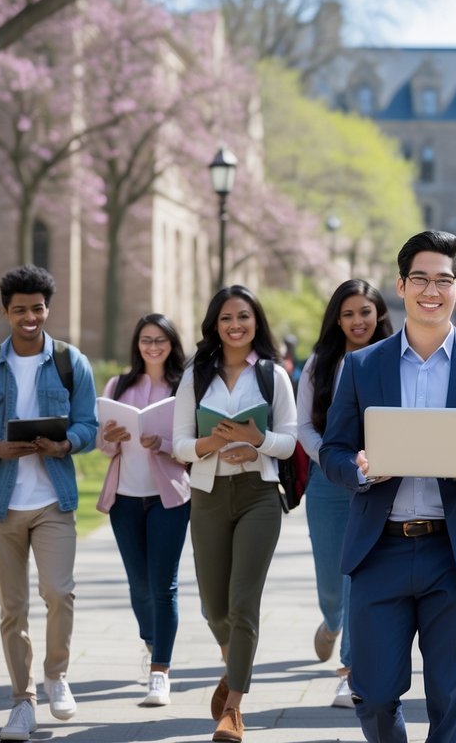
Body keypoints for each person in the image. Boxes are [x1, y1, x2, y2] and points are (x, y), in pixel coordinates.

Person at [320, 230, 456, 743]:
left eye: (444, 281)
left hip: (454, 555)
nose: (432, 290)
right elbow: (333, 450)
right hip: (379, 549)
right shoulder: (364, 365)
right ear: (401, 285)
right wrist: (359, 468)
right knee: (373, 693)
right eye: (421, 279)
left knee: (451, 706)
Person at [0, 265, 99, 742]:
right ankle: (23, 702)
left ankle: (57, 676)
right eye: (19, 309)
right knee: (12, 609)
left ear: (47, 309)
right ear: (5, 312)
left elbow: (89, 425)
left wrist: (66, 444)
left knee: (60, 592)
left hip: (53, 500)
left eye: (37, 308)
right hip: (0, 505)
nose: (29, 317)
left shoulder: (69, 361)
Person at [172, 285, 298, 743]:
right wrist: (216, 443)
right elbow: (180, 444)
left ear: (255, 322)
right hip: (207, 494)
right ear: (215, 325)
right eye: (227, 318)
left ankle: (233, 710)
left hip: (258, 495)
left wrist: (255, 439)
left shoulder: (272, 374)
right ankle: (235, 665)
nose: (235, 325)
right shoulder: (195, 376)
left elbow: (289, 439)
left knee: (243, 604)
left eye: (243, 316)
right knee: (213, 607)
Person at [296, 280, 394, 707]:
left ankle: (351, 669)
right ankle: (331, 621)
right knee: (333, 581)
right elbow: (303, 426)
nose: (358, 321)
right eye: (349, 314)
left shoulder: (396, 358)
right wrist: (332, 461)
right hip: (328, 482)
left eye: (366, 313)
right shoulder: (320, 363)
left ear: (379, 315)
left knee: (362, 576)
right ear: (338, 319)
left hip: (379, 483)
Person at [96, 313, 190, 706]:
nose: (153, 346)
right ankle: (151, 642)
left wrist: (164, 444)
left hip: (169, 497)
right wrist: (111, 438)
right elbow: (103, 445)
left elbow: (194, 446)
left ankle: (160, 672)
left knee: (163, 584)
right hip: (126, 498)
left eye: (160, 340)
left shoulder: (186, 386)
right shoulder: (119, 384)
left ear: (171, 344)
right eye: (146, 339)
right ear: (137, 343)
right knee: (139, 584)